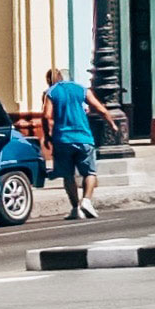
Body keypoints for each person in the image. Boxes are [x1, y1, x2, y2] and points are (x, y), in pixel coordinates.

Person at [41, 67, 100, 220]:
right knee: (90, 172)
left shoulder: (51, 93)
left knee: (68, 175)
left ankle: (75, 209)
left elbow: (46, 115)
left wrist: (47, 136)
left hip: (62, 140)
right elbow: (98, 107)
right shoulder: (80, 89)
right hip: (84, 138)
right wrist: (111, 123)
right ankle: (86, 201)